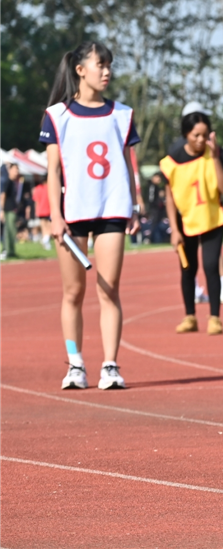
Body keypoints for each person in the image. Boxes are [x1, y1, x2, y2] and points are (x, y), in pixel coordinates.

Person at [40, 40, 140, 390]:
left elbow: (129, 164)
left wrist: (135, 206)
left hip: (112, 210)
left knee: (109, 289)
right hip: (74, 213)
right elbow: (52, 171)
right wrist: (55, 215)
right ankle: (75, 364)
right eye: (101, 64)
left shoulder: (122, 114)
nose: (107, 71)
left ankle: (110, 365)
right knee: (73, 292)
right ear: (80, 70)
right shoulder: (58, 115)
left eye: (110, 64)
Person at [161, 111, 223, 335]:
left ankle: (214, 317)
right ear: (185, 135)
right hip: (185, 221)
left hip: (212, 219)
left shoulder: (216, 155)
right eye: (195, 135)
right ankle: (190, 316)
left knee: (211, 266)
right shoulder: (172, 160)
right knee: (187, 268)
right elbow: (170, 196)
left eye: (204, 135)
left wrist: (216, 156)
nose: (201, 140)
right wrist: (174, 229)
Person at [1, 163, 32, 259]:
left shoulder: (16, 182)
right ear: (9, 170)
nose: (16, 172)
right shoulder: (7, 181)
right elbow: (3, 195)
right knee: (8, 231)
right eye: (15, 169)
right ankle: (6, 251)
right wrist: (1, 210)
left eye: (17, 170)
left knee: (12, 231)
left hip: (13, 210)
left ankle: (11, 251)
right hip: (8, 210)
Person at [30, 175, 52, 250]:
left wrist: (36, 210)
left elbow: (36, 201)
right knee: (50, 227)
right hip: (48, 210)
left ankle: (46, 242)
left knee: (44, 227)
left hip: (41, 210)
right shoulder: (50, 188)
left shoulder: (37, 188)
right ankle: (46, 240)